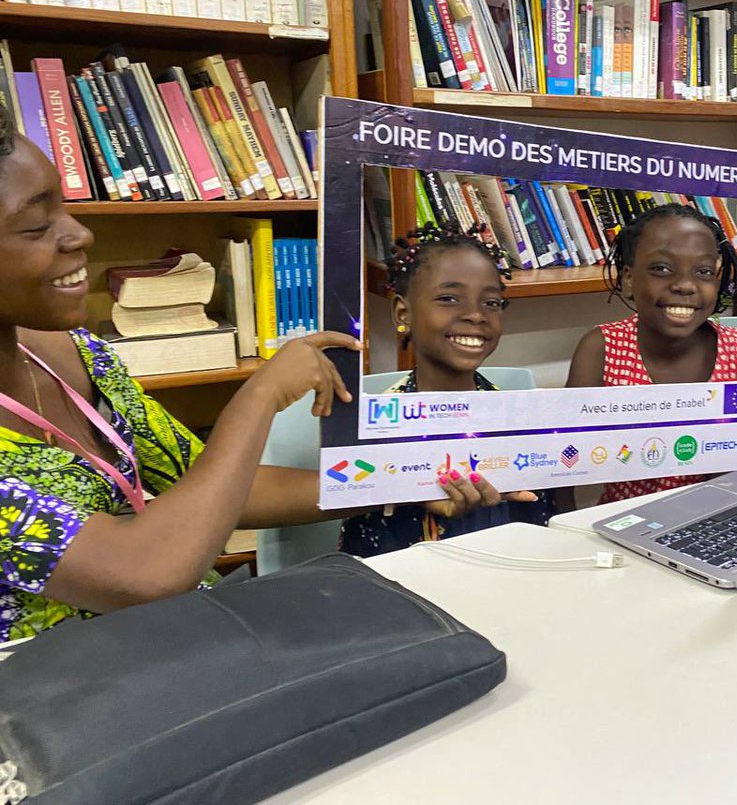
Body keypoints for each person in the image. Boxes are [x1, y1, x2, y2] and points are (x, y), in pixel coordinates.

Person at [0, 110, 361, 641]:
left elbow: (211, 485)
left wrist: (405, 484)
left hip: (182, 647)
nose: (80, 232)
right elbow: (142, 574)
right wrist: (258, 396)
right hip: (56, 702)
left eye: (64, 206)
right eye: (36, 226)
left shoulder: (77, 355)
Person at [338, 225, 552, 556]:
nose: (475, 315)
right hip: (398, 584)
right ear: (403, 313)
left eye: (491, 302)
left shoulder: (519, 420)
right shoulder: (376, 424)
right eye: (449, 299)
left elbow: (537, 526)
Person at [566, 203, 737, 503]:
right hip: (623, 523)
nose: (684, 285)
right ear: (628, 279)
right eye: (662, 269)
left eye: (703, 271)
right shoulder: (601, 349)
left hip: (720, 519)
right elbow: (564, 457)